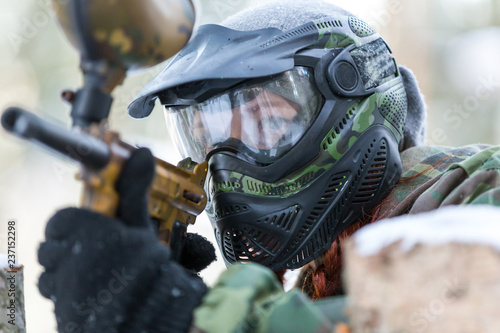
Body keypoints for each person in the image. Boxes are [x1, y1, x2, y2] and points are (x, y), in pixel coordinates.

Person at [37, 1, 500, 332]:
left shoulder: (479, 190)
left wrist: (186, 316)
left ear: (354, 98)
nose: (226, 166)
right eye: (207, 138)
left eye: (266, 123)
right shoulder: (320, 275)